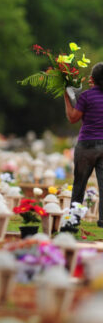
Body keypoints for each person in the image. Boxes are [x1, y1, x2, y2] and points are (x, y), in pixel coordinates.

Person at [64, 62, 103, 228]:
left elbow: (73, 117)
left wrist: (66, 96)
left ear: (93, 79)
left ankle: (74, 219)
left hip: (86, 144)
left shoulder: (86, 96)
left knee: (80, 183)